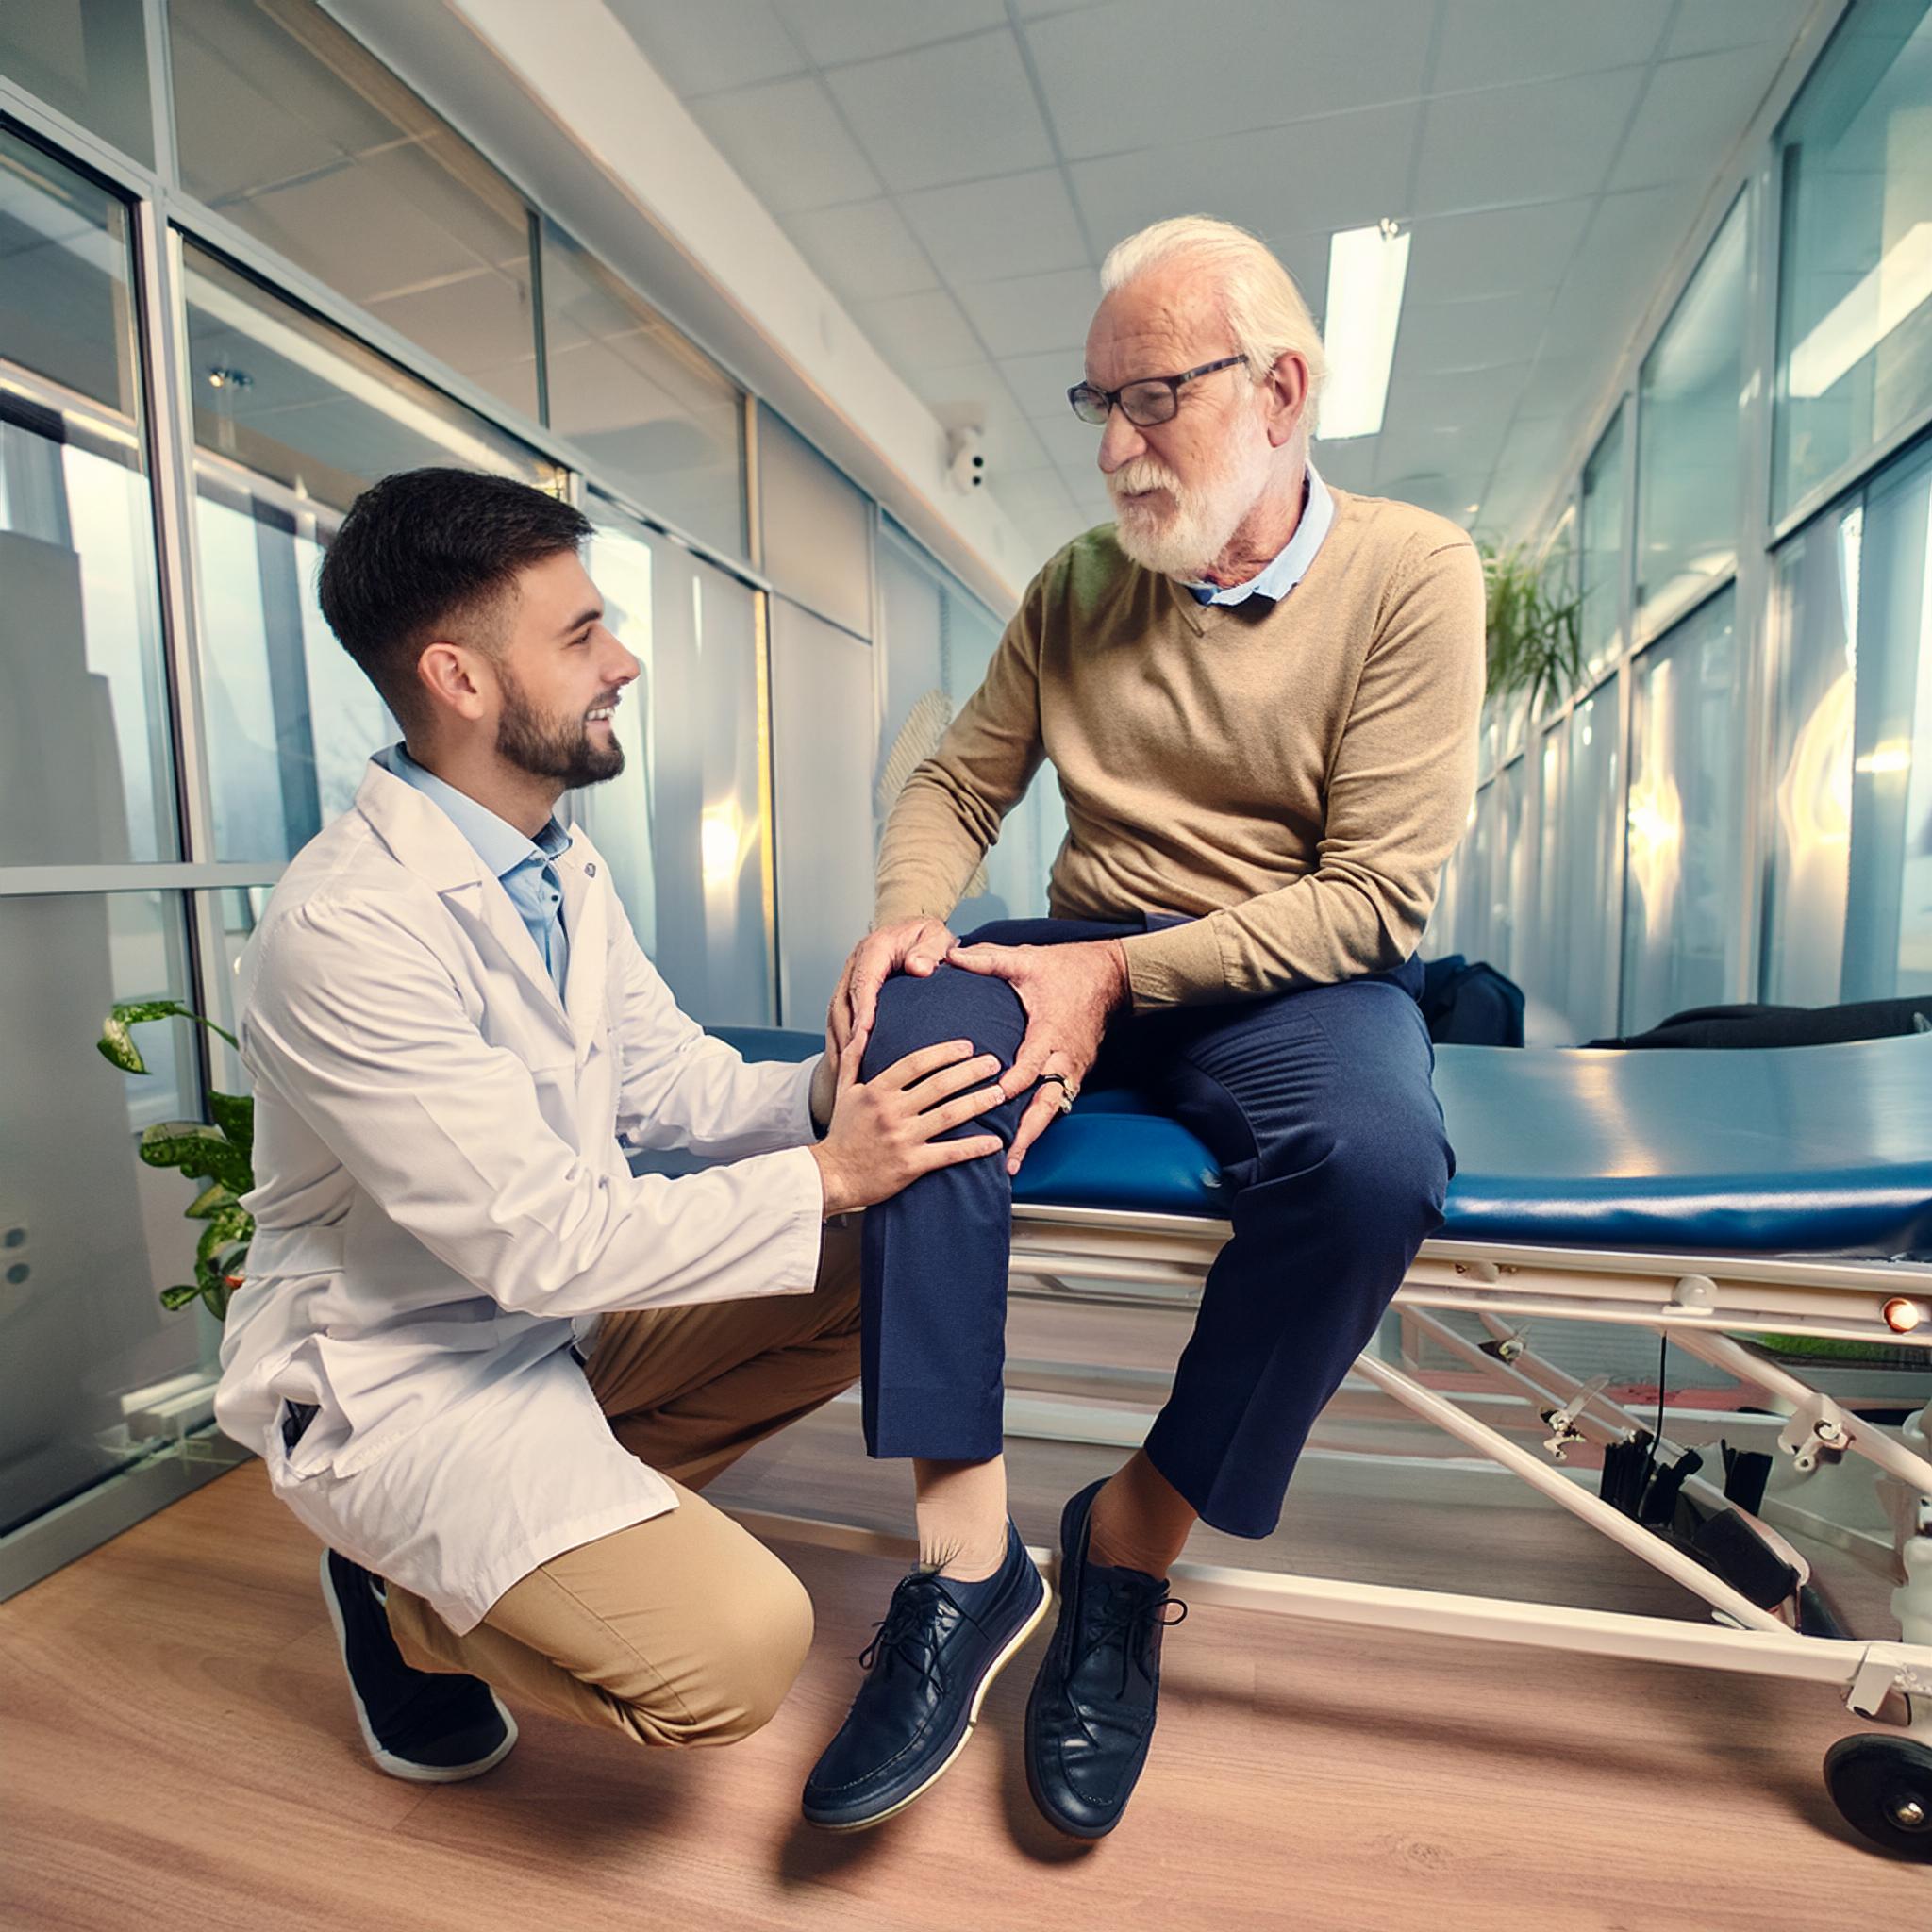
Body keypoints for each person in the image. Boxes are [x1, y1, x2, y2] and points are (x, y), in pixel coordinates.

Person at [803, 216, 1487, 1837]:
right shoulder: (1079, 586)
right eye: (1098, 403)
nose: (1114, 448)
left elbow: (1376, 897)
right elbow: (959, 780)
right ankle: (967, 1563)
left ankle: (1128, 1540)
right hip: (1082, 952)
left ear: (1281, 391)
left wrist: (1119, 978)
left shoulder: (1414, 574)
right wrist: (909, 915)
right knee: (907, 1036)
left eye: (1154, 399)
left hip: (1292, 970)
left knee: (1378, 1163)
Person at [213, 467, 1008, 1782]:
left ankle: (537, 1542)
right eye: (582, 636)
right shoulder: (343, 931)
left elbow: (671, 1084)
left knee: (879, 1260)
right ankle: (403, 1600)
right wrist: (828, 1171)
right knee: (743, 1651)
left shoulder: (555, 860)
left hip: (553, 1335)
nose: (623, 662)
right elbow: (544, 1242)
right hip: (399, 1378)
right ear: (461, 679)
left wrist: (832, 1095)